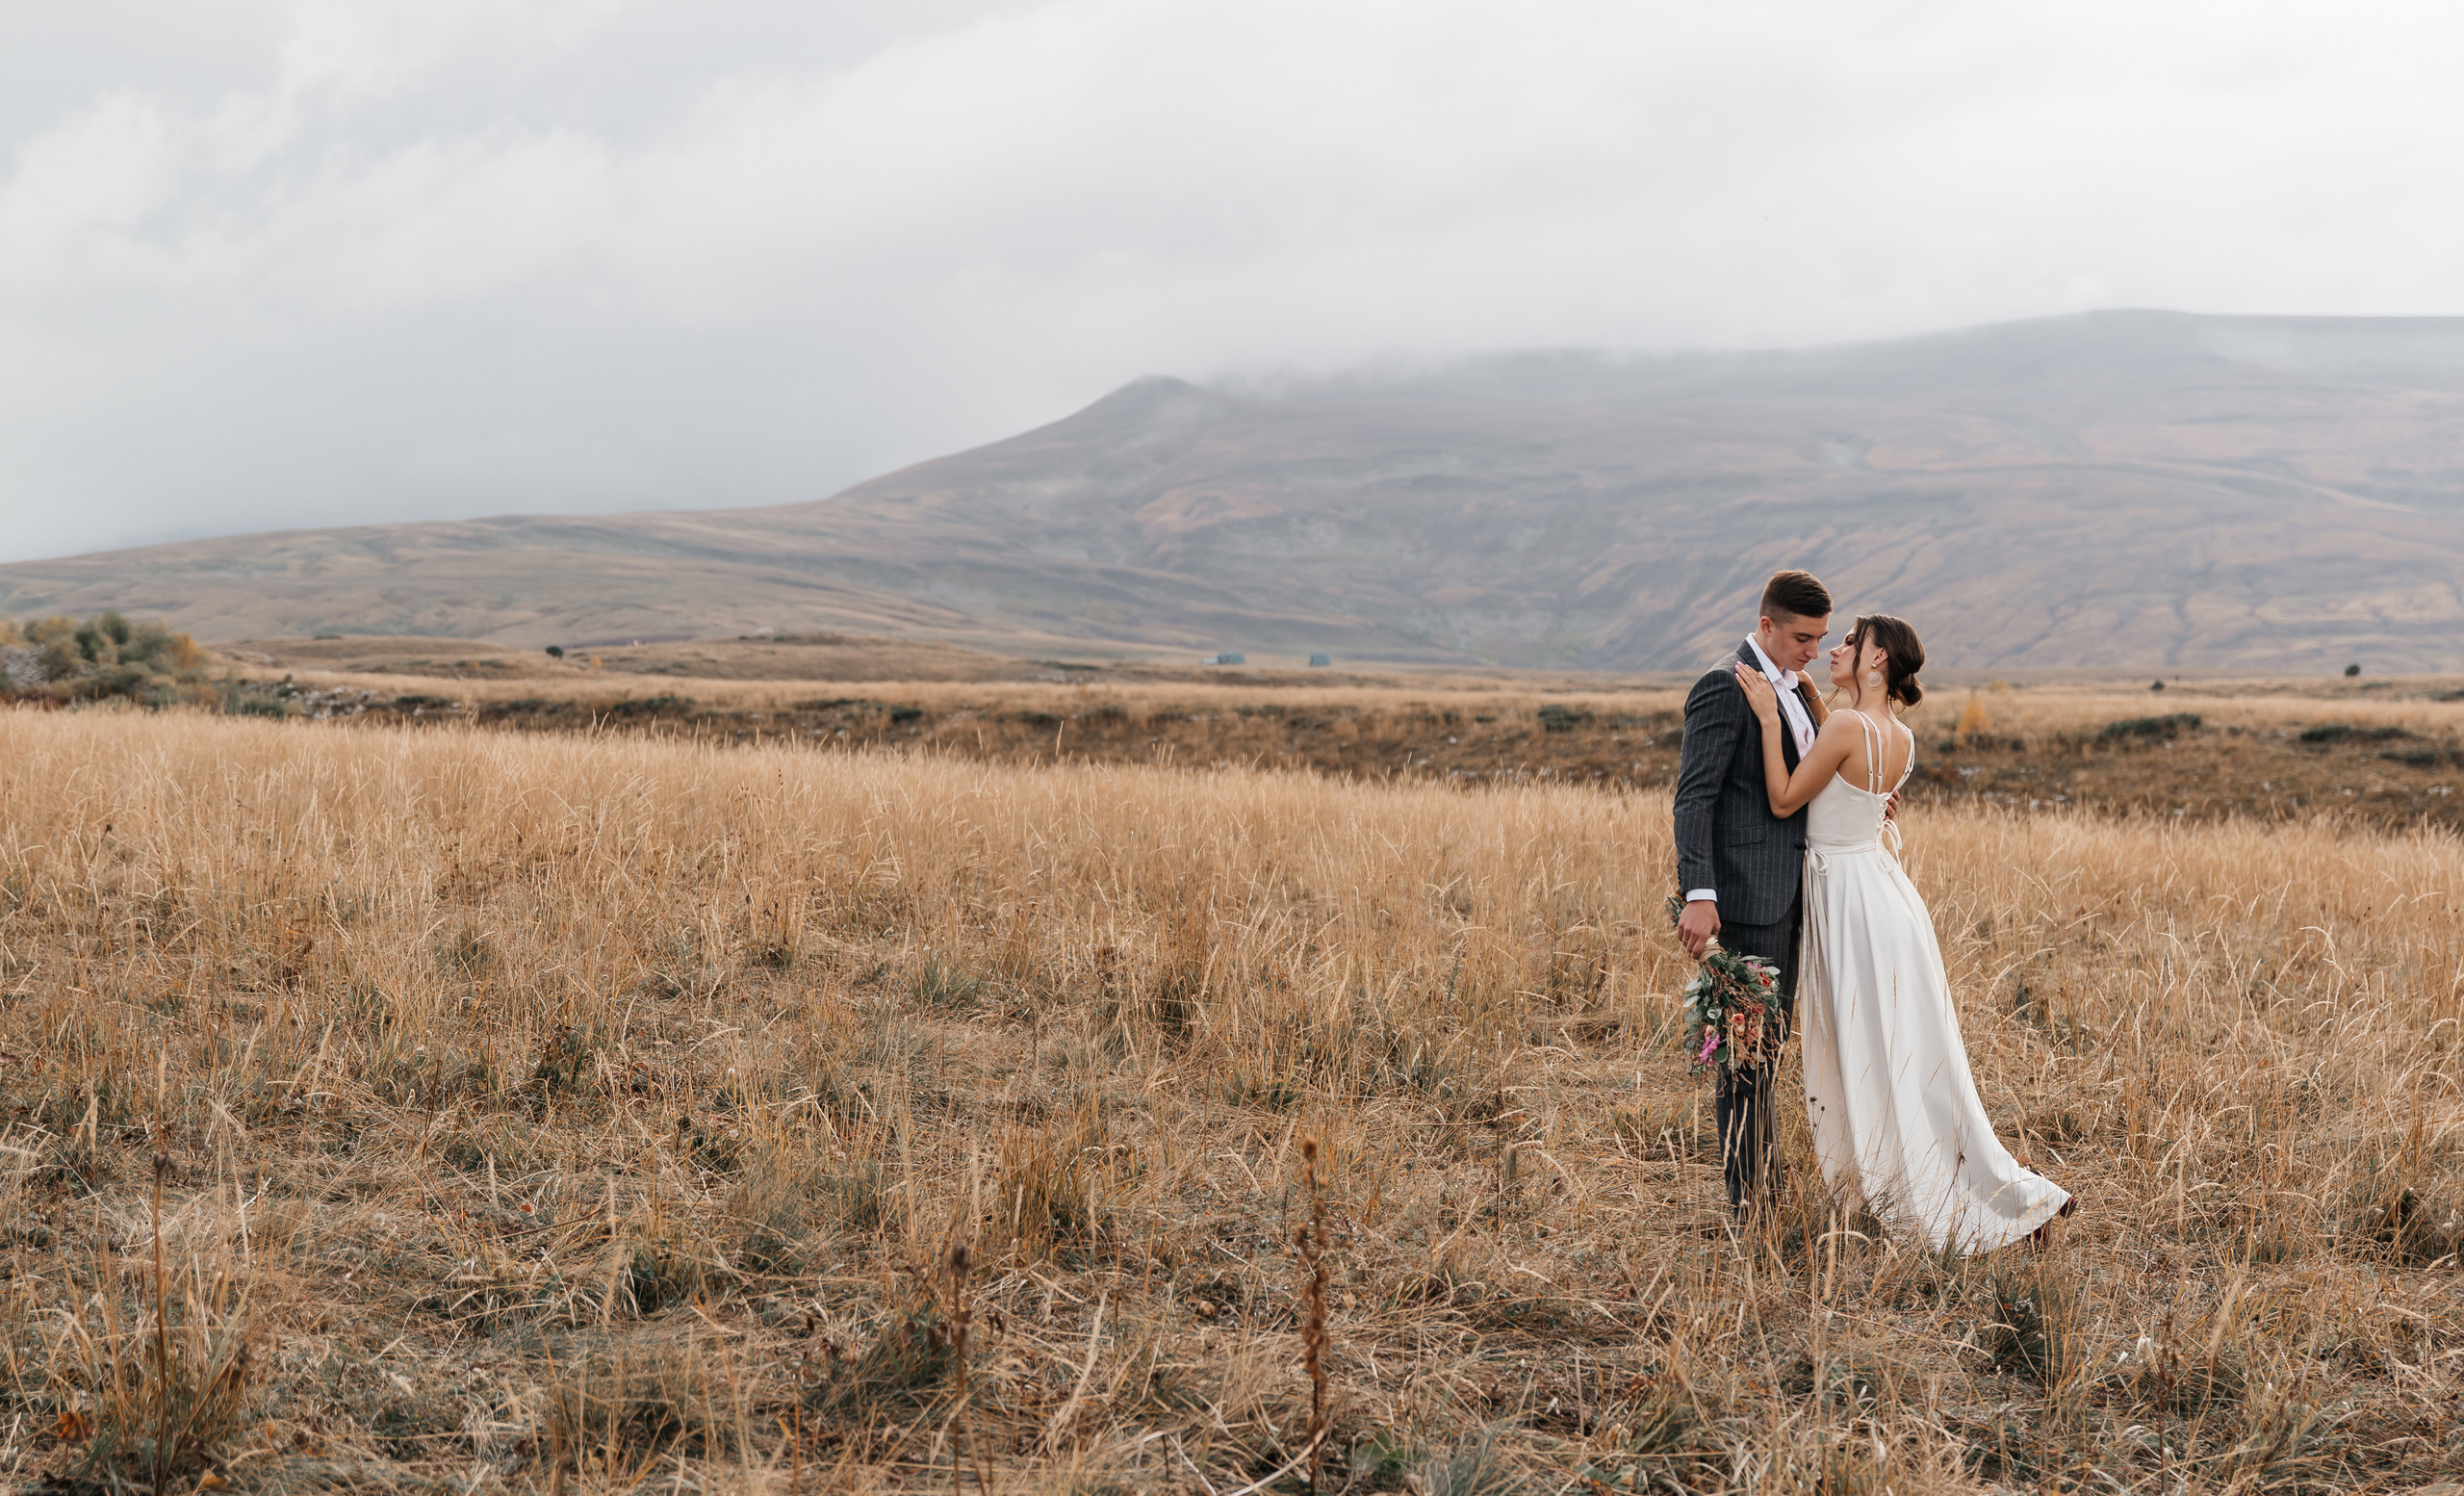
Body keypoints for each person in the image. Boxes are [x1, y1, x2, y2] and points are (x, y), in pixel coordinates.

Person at [1732, 614, 2074, 1252]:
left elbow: (1783, 801)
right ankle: (2002, 1191)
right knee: (1912, 1055)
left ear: (1877, 658)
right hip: (1887, 898)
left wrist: (1768, 717)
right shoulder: (1900, 737)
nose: (1833, 649)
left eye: (1849, 643)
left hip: (1847, 902)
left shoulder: (1843, 726)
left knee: (1868, 1053)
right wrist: (1805, 699)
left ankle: (1902, 1187)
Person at [1672, 569, 1834, 1221]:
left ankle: (1764, 1185)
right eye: (1802, 637)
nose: (1812, 651)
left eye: (1821, 639)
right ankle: (1748, 1206)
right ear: (1766, 626)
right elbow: (1695, 797)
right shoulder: (1724, 685)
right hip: (1743, 898)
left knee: (1770, 1049)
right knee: (1745, 1055)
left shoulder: (1795, 690)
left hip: (1792, 897)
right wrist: (1699, 893)